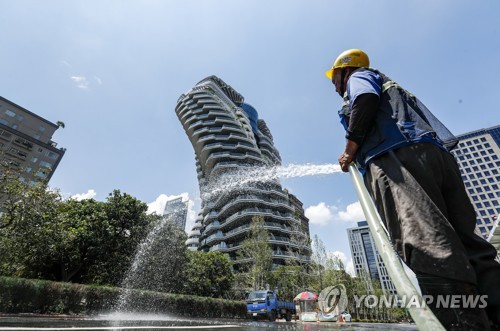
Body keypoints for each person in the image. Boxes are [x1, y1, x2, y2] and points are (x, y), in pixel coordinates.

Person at [325, 49, 500, 330]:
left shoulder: (360, 77)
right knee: (469, 245)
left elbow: (365, 100)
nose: (334, 85)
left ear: (345, 71)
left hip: (397, 159)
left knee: (426, 240)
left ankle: (463, 323)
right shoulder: (392, 87)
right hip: (436, 157)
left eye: (335, 78)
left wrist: (350, 150)